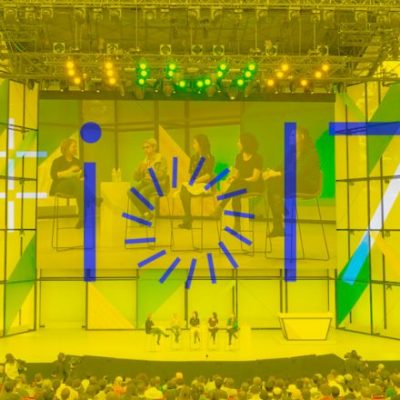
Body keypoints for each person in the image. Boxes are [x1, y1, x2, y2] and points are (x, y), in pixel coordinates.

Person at [262, 127, 321, 237]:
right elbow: (280, 167)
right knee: (271, 184)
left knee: (274, 184)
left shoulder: (311, 153)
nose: (290, 137)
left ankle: (281, 216)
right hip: (292, 184)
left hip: (307, 184)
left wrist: (277, 174)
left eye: (293, 135)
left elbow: (298, 173)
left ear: (302, 137)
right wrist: (269, 172)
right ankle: (280, 217)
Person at [212, 133, 264, 231]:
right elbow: (236, 174)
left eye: (239, 142)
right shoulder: (239, 157)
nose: (237, 144)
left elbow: (255, 178)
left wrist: (239, 180)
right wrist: (232, 177)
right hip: (240, 185)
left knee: (236, 186)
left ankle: (221, 206)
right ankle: (237, 224)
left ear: (245, 143)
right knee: (236, 192)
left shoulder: (257, 158)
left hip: (254, 185)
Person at [178, 135, 215, 229]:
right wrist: (191, 182)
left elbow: (208, 175)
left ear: (201, 144)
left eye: (194, 143)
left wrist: (195, 182)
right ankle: (188, 216)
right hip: (195, 184)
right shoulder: (193, 157)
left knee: (184, 190)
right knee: (184, 188)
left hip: (205, 184)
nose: (193, 145)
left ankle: (188, 217)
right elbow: (191, 174)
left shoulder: (209, 157)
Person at [128, 138, 168, 221]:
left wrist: (152, 175)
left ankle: (146, 214)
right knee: (130, 192)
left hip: (158, 183)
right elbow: (136, 178)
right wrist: (139, 170)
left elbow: (162, 174)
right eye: (144, 148)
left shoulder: (161, 159)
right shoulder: (145, 160)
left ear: (154, 147)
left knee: (144, 191)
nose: (145, 150)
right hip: (146, 182)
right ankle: (146, 213)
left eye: (147, 147)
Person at [50, 138, 84, 228]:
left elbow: (82, 175)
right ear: (66, 148)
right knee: (74, 180)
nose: (76, 149)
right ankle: (93, 199)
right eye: (74, 147)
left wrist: (81, 177)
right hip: (60, 187)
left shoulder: (78, 161)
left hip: (74, 188)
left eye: (76, 147)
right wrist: (69, 172)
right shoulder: (57, 161)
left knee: (80, 185)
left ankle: (81, 218)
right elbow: (54, 175)